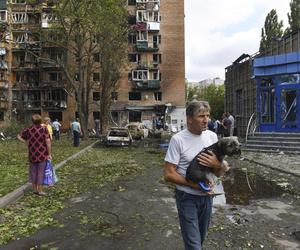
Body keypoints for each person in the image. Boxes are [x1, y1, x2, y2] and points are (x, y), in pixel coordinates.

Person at [164, 101, 226, 250]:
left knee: (200, 239)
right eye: (201, 116)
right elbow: (169, 174)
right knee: (194, 246)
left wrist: (218, 165)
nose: (206, 120)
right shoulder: (178, 139)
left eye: (208, 116)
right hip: (187, 198)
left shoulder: (212, 136)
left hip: (207, 198)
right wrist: (194, 185)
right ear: (189, 118)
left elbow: (218, 171)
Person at [17, 114, 51, 196]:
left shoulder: (29, 129)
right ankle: (40, 190)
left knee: (33, 172)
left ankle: (35, 190)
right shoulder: (43, 129)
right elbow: (48, 142)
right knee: (40, 172)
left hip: (32, 154)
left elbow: (18, 136)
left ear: (32, 121)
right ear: (40, 120)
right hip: (42, 154)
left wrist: (25, 141)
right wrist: (49, 153)